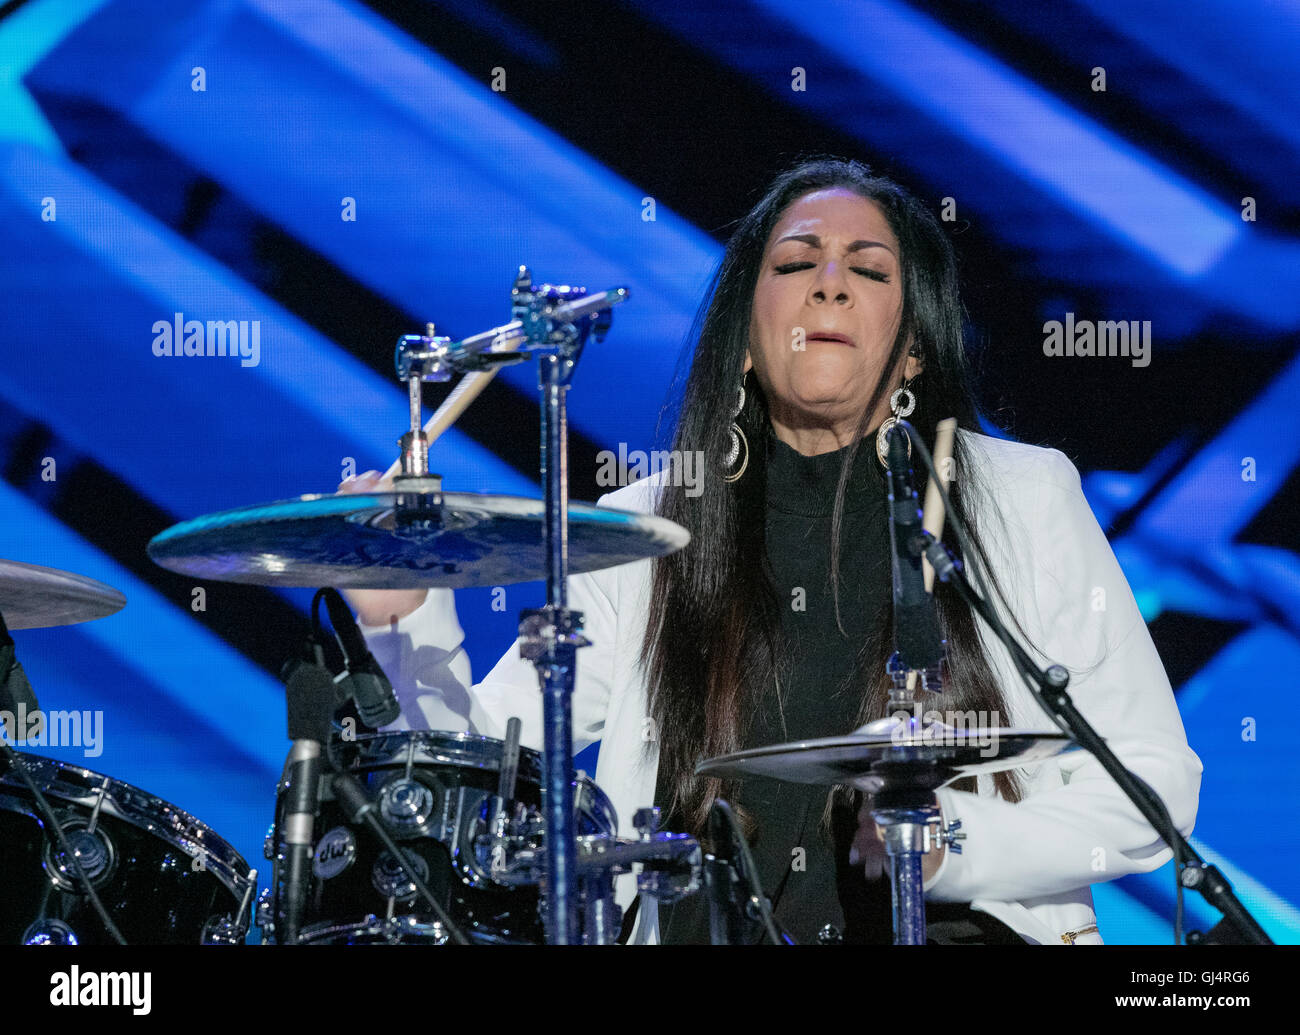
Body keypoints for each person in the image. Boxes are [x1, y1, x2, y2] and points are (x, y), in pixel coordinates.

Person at [338, 157, 1201, 945]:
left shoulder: (1020, 496)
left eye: (867, 270)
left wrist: (954, 847)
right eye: (795, 265)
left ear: (910, 351)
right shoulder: (648, 527)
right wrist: (406, 616)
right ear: (746, 340)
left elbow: (1155, 778)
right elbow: (488, 782)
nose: (829, 286)